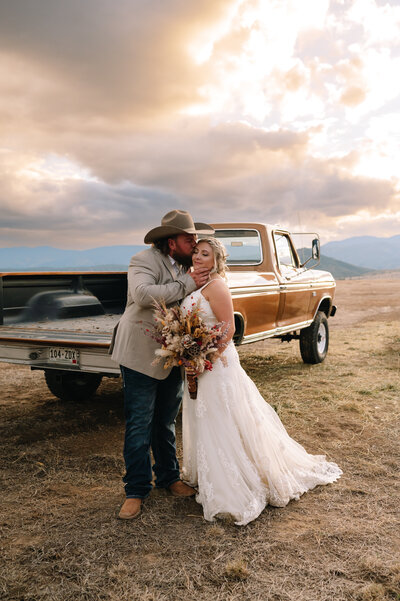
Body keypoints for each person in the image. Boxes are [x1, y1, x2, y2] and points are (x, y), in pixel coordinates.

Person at [181, 238, 342, 526]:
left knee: (222, 417)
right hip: (197, 362)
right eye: (196, 252)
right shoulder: (196, 283)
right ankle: (208, 474)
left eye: (205, 254)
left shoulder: (216, 286)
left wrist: (207, 359)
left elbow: (227, 328)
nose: (198, 257)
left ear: (217, 260)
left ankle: (234, 481)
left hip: (216, 365)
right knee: (206, 416)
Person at [109, 210, 214, 519]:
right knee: (140, 424)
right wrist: (186, 284)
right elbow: (142, 295)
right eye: (188, 238)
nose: (194, 243)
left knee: (166, 421)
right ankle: (136, 490)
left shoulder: (189, 265)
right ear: (171, 243)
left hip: (174, 355)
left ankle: (168, 478)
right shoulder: (143, 260)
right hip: (141, 354)